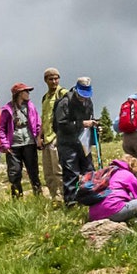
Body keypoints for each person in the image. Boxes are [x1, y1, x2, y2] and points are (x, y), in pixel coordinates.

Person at [54, 77, 96, 207]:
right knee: (71, 172)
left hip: (83, 142)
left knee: (89, 170)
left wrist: (93, 124)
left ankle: (89, 200)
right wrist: (82, 124)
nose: (84, 98)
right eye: (82, 95)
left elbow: (90, 118)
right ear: (76, 90)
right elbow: (61, 125)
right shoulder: (64, 102)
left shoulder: (89, 102)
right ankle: (71, 203)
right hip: (66, 143)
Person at [0, 83, 43, 198]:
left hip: (29, 143)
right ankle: (17, 198)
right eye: (26, 91)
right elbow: (1, 128)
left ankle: (38, 195)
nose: (28, 94)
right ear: (19, 94)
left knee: (33, 171)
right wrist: (5, 144)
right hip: (13, 145)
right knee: (15, 172)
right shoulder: (7, 110)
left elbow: (38, 123)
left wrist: (38, 137)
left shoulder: (31, 107)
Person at [39, 67, 68, 200]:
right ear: (46, 80)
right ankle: (53, 197)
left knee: (58, 170)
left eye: (56, 78)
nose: (54, 81)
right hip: (46, 138)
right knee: (48, 171)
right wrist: (40, 136)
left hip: (58, 137)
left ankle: (61, 196)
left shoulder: (63, 93)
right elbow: (44, 117)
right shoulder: (45, 97)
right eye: (51, 79)